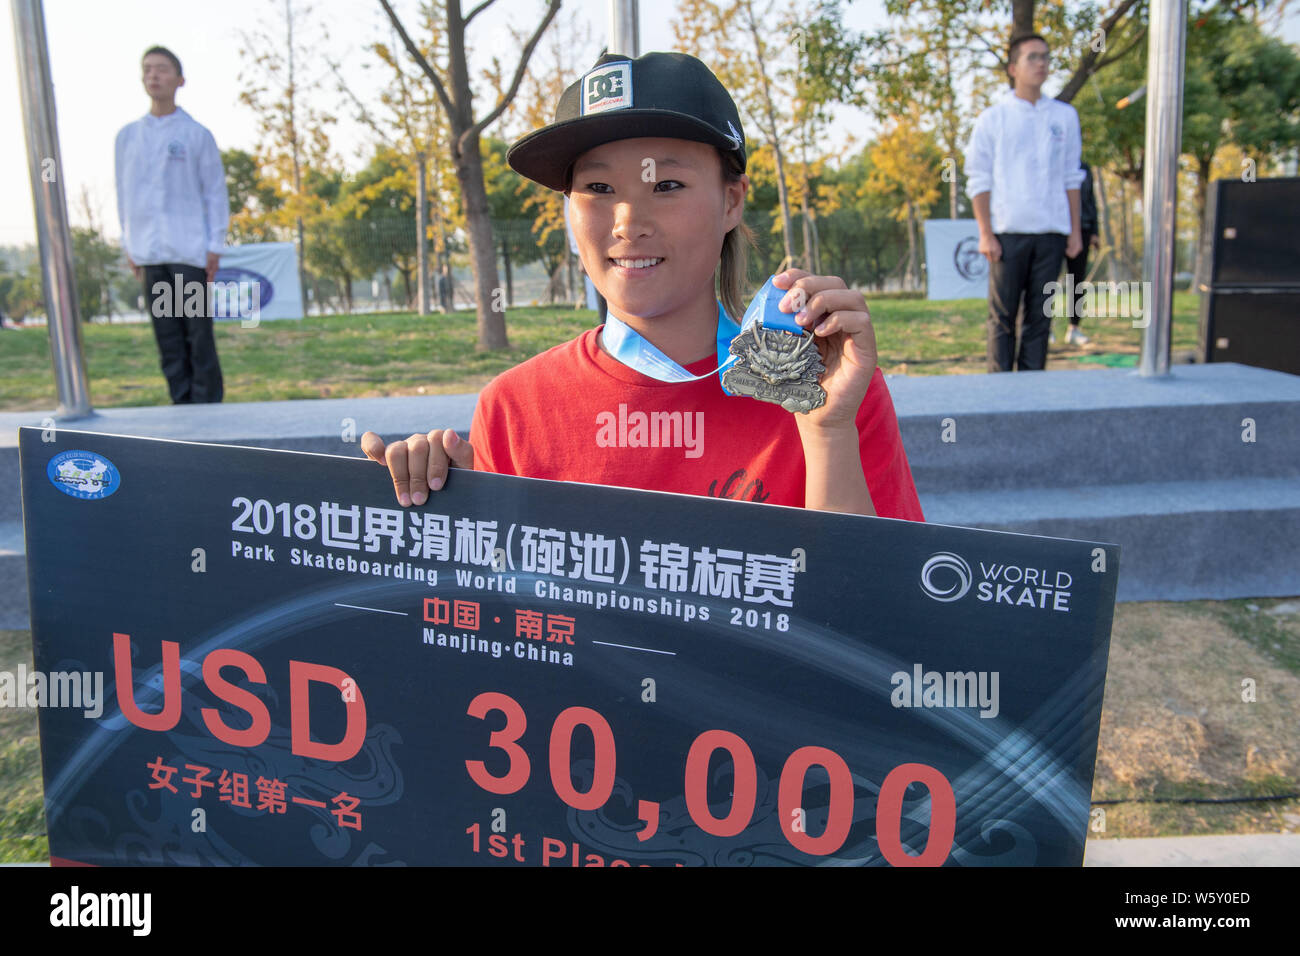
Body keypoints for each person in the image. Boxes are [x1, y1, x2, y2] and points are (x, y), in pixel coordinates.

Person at [361, 51, 923, 521]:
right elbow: (503, 630)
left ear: (732, 199)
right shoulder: (514, 409)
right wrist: (439, 515)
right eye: (598, 187)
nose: (628, 221)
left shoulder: (824, 381)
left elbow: (873, 617)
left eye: (667, 183)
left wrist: (826, 435)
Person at [115, 45, 229, 403]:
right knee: (167, 335)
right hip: (149, 253)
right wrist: (129, 245)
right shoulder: (127, 137)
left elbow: (214, 193)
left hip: (189, 252)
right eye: (147, 68)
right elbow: (124, 194)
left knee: (196, 332)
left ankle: (207, 404)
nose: (153, 75)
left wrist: (215, 245)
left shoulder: (196, 135)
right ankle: (180, 405)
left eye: (162, 69)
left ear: (179, 79)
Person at [964, 34, 1084, 372]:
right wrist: (986, 233)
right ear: (1014, 67)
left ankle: (1031, 391)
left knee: (1040, 317)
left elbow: (1071, 178)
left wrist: (1075, 232)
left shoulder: (1065, 116)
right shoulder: (993, 118)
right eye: (1032, 57)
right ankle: (1000, 392)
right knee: (1002, 318)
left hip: (1051, 232)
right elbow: (979, 179)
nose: (1041, 63)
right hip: (1007, 233)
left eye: (1045, 56)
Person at [1060, 160, 1099, 345]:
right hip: (1055, 228)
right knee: (1045, 281)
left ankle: (1074, 328)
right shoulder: (1051, 161)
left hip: (1082, 229)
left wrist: (1094, 232)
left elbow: (1091, 199)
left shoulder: (1084, 167)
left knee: (1077, 281)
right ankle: (1046, 328)